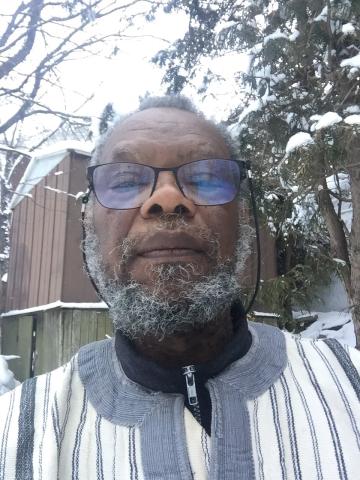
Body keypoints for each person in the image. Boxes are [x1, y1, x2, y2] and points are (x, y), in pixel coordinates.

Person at [0, 96, 359, 480]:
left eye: (205, 178)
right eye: (124, 180)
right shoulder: (16, 431)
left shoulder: (349, 383)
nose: (167, 199)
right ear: (89, 222)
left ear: (242, 217)